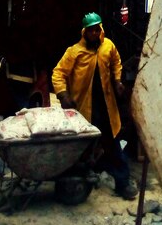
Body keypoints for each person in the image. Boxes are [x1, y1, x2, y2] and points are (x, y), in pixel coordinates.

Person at [52, 12, 138, 200]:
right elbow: (58, 73)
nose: (94, 33)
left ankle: (122, 182)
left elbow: (116, 63)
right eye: (90, 30)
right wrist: (63, 94)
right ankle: (77, 179)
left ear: (101, 29)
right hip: (83, 109)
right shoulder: (74, 52)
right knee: (82, 145)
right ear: (84, 32)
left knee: (112, 143)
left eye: (97, 29)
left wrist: (117, 81)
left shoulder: (108, 46)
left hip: (106, 107)